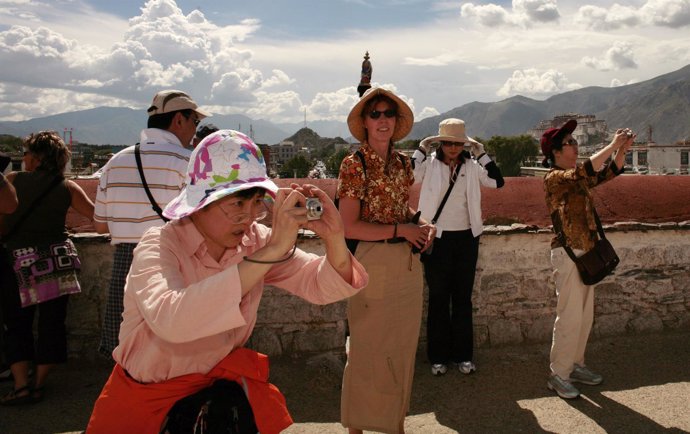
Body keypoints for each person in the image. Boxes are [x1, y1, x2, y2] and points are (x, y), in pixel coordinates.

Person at [86, 130, 367, 433]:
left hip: (214, 405)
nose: (248, 217)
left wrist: (335, 238)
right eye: (236, 203)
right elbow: (172, 319)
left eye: (256, 203)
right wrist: (272, 250)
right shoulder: (159, 245)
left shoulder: (253, 242)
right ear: (200, 203)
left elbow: (317, 284)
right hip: (146, 407)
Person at [338, 87, 435, 434]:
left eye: (388, 114)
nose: (382, 120)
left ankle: (394, 423)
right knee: (367, 348)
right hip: (372, 262)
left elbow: (401, 210)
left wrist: (422, 225)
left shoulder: (402, 163)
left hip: (406, 266)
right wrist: (402, 229)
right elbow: (349, 225)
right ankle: (357, 428)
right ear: (364, 122)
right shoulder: (354, 164)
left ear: (396, 121)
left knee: (401, 348)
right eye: (375, 114)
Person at [93, 89, 210, 358]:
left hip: (126, 263)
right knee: (175, 348)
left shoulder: (114, 163)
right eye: (195, 122)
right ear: (179, 120)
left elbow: (101, 226)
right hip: (173, 258)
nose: (195, 130)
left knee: (128, 348)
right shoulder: (188, 162)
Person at [541, 119, 634, 399]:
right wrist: (612, 144)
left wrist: (622, 150)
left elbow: (609, 172)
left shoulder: (577, 178)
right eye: (569, 142)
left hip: (585, 253)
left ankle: (575, 365)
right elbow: (587, 169)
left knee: (583, 316)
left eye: (574, 141)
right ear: (555, 152)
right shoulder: (555, 177)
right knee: (569, 316)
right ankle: (558, 374)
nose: (575, 145)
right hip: (568, 254)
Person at [0, 131, 94, 405]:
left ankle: (21, 387)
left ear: (38, 157)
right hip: (56, 260)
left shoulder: (13, 181)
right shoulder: (66, 187)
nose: (24, 158)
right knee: (52, 324)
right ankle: (39, 384)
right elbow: (98, 217)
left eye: (27, 153)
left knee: (16, 323)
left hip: (17, 260)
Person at [412, 118, 504, 377]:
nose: (453, 148)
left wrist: (481, 152)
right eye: (448, 142)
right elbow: (406, 177)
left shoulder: (472, 166)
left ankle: (463, 355)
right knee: (439, 298)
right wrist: (421, 148)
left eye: (458, 143)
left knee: (463, 298)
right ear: (440, 143)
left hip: (466, 237)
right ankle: (438, 357)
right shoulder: (429, 165)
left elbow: (497, 182)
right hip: (436, 237)